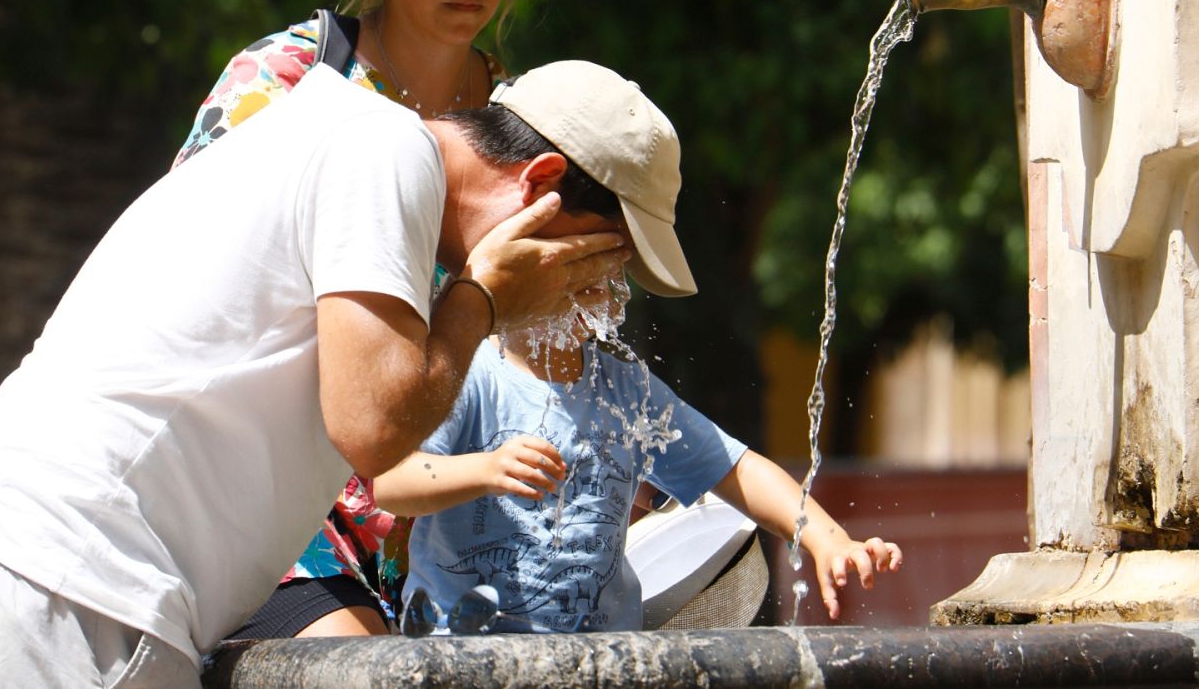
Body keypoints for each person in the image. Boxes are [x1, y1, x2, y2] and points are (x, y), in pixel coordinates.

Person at [0, 59, 681, 685]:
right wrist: (482, 299)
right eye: (601, 261)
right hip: (63, 588)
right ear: (539, 187)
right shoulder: (385, 150)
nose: (596, 295)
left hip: (10, 569)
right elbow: (373, 429)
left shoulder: (341, 135)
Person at [174, 0, 580, 640]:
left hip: (421, 528)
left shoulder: (510, 112)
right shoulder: (283, 81)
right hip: (265, 507)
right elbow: (184, 292)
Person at [376, 75, 904, 634]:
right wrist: (484, 470)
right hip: (460, 662)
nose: (599, 287)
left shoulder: (625, 392)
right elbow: (392, 482)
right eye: (580, 267)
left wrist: (822, 534)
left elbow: (737, 468)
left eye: (611, 273)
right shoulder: (471, 369)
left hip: (599, 664)